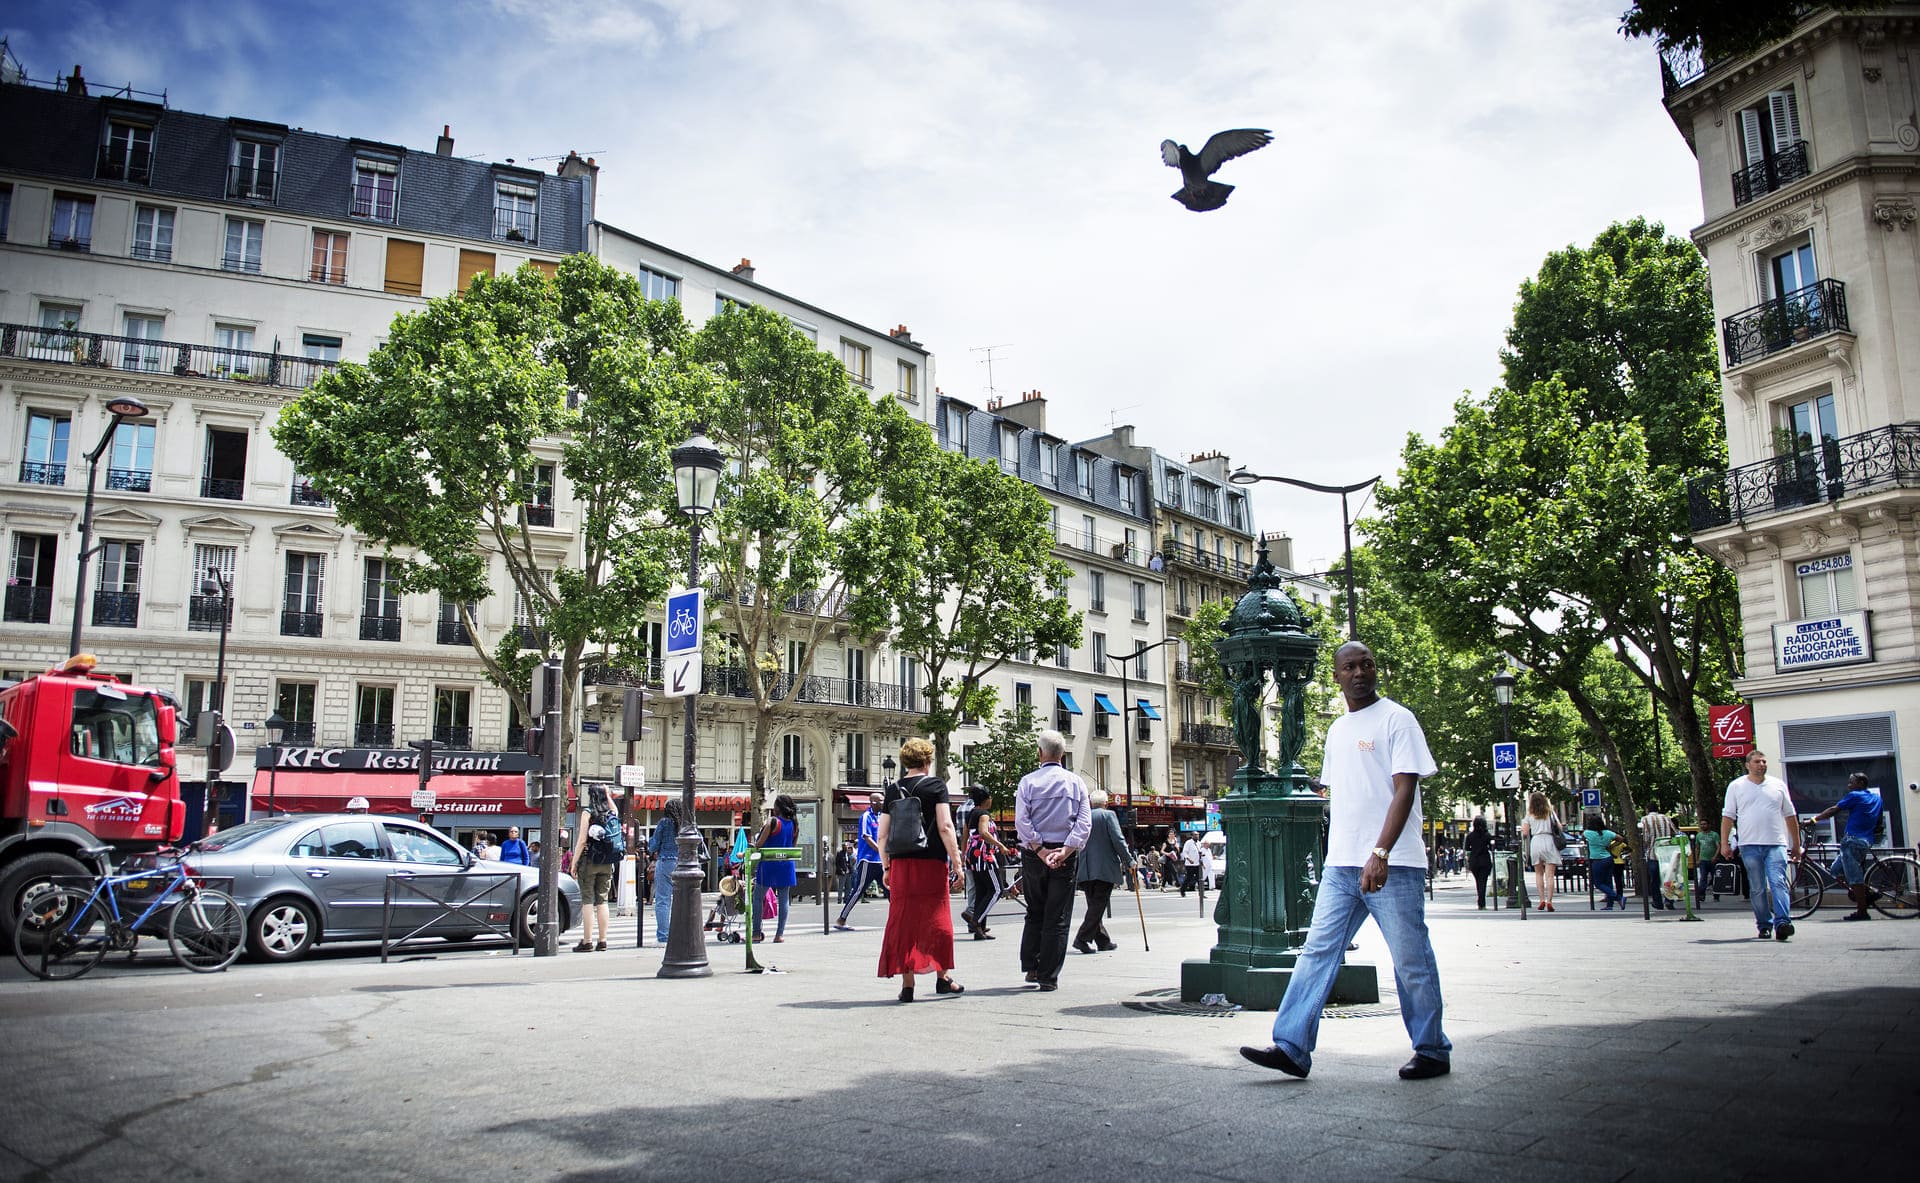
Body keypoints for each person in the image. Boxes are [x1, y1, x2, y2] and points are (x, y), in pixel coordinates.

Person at [1240, 640, 1451, 1082]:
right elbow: (1344, 800)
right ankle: (1292, 1046)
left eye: (1367, 665)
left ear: (1376, 670)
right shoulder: (1337, 731)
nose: (1359, 673)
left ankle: (1432, 1049)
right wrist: (1334, 855)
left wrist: (1381, 851)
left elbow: (1404, 790)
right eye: (1349, 667)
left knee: (1410, 957)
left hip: (1393, 863)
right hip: (1341, 866)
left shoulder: (1398, 719)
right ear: (1336, 676)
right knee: (1317, 952)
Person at [876, 738, 964, 1001]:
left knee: (903, 921)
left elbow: (882, 835)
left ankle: (907, 984)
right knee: (937, 919)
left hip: (902, 865)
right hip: (932, 863)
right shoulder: (936, 786)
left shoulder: (892, 790)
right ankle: (943, 977)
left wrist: (886, 866)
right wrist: (957, 863)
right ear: (928, 760)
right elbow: (945, 827)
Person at [1014, 729, 1091, 992]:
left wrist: (1040, 849)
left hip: (1035, 855)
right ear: (1063, 754)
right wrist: (1065, 850)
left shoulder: (1028, 782)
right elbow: (1084, 822)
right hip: (1064, 855)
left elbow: (1021, 821)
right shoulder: (1076, 783)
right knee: (1057, 915)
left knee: (1034, 910)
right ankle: (1049, 975)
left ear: (1039, 753)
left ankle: (1032, 966)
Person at [1721, 749, 1801, 940]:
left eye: (1764, 761)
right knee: (1757, 887)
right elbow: (1728, 817)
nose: (1761, 765)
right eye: (1757, 762)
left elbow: (1790, 816)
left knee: (1778, 882)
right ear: (1748, 765)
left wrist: (1796, 844)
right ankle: (1764, 924)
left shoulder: (1778, 785)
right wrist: (1725, 844)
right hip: (1749, 844)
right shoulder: (1736, 786)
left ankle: (1782, 922)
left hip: (1776, 843)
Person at [1812, 773, 1884, 921]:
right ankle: (1869, 893)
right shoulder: (1877, 798)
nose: (1848, 785)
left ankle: (1862, 911)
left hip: (1852, 840)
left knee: (1854, 877)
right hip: (1866, 840)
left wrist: (1813, 820)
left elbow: (1834, 810)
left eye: (1851, 782)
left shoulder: (1855, 796)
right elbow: (1878, 820)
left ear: (1861, 782)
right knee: (1835, 869)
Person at [1073, 788, 1132, 954]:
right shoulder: (1108, 816)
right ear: (1106, 803)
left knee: (1094, 905)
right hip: (1104, 868)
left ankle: (1103, 941)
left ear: (1091, 803)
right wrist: (1129, 860)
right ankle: (1081, 938)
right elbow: (1118, 839)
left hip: (1086, 868)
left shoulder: (1083, 816)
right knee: (1098, 906)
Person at [960, 786, 1012, 940]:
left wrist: (964, 855)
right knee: (997, 890)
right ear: (985, 799)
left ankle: (980, 928)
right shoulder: (983, 814)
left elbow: (964, 837)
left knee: (982, 890)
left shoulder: (970, 814)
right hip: (984, 855)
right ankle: (976, 921)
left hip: (973, 855)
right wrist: (1000, 845)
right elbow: (984, 832)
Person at [571, 786, 619, 952]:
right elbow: (615, 809)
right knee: (602, 900)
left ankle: (587, 941)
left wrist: (574, 862)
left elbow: (582, 840)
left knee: (587, 901)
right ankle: (603, 940)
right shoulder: (611, 812)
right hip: (607, 861)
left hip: (589, 860)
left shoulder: (588, 813)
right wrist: (607, 794)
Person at [751, 794, 799, 942]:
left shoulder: (773, 822)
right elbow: (793, 845)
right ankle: (779, 934)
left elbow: (759, 844)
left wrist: (752, 844)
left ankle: (757, 932)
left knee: (758, 897)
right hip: (786, 864)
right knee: (784, 900)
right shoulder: (794, 824)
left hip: (769, 865)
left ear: (778, 807)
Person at [835, 795, 885, 929]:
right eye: (881, 800)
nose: (883, 802)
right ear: (873, 802)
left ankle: (900, 921)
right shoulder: (866, 816)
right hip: (867, 860)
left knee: (890, 889)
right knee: (858, 890)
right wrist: (881, 850)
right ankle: (841, 919)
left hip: (880, 861)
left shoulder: (882, 817)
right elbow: (867, 838)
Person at [649, 799, 694, 944]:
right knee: (685, 901)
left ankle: (663, 936)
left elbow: (653, 846)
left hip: (666, 862)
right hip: (685, 863)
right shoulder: (688, 823)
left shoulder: (664, 823)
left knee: (663, 900)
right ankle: (685, 933)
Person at [1521, 793, 1562, 912]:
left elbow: (1525, 832)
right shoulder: (1550, 812)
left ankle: (1541, 899)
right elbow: (1559, 827)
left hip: (1536, 841)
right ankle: (1549, 901)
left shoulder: (1529, 814)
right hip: (1549, 841)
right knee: (1550, 875)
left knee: (1539, 874)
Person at [1582, 816, 1626, 910]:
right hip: (1608, 858)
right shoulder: (1608, 833)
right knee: (1608, 882)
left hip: (1597, 860)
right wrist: (1611, 846)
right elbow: (1621, 838)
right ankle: (1609, 905)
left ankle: (1618, 898)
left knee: (1597, 883)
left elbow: (1583, 836)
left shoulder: (1588, 833)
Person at [1639, 810, 1677, 910]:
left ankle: (1658, 902)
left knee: (1654, 880)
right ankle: (1669, 900)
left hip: (1653, 854)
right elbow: (1675, 832)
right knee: (1668, 878)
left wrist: (1646, 846)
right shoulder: (1666, 818)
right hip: (1667, 854)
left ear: (1647, 810)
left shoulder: (1645, 819)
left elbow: (1645, 837)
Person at [1465, 816, 1494, 909]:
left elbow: (1467, 848)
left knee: (1478, 882)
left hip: (1474, 861)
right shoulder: (1487, 835)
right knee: (1483, 882)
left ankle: (1480, 902)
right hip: (1485, 860)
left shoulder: (1470, 836)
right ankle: (1482, 903)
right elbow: (1492, 847)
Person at [1179, 831, 1202, 896]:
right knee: (1189, 878)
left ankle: (1201, 892)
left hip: (1197, 863)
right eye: (1195, 835)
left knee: (1199, 878)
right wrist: (1189, 859)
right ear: (1192, 836)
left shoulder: (1199, 843)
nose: (1197, 836)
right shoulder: (1188, 843)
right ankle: (1182, 890)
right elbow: (1185, 852)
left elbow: (1199, 852)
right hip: (1190, 864)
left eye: (1197, 835)